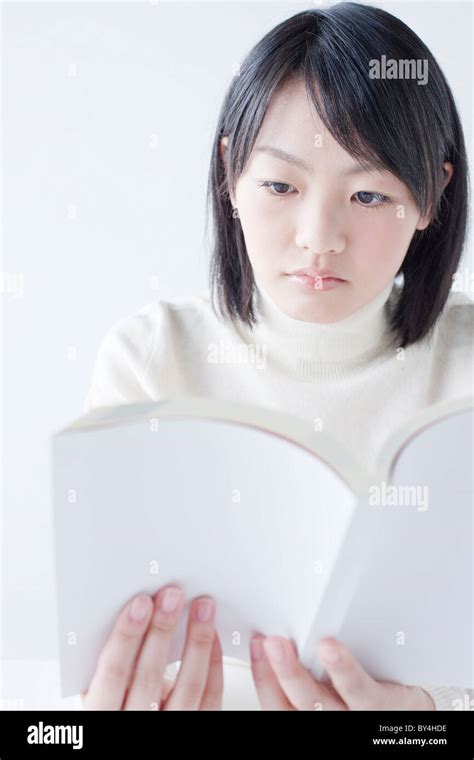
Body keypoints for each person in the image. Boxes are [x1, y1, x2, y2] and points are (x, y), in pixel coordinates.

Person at [80, 2, 473, 710]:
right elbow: (96, 642)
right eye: (281, 186)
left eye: (366, 193)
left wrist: (423, 714)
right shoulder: (151, 361)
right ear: (231, 173)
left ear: (432, 195)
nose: (319, 237)